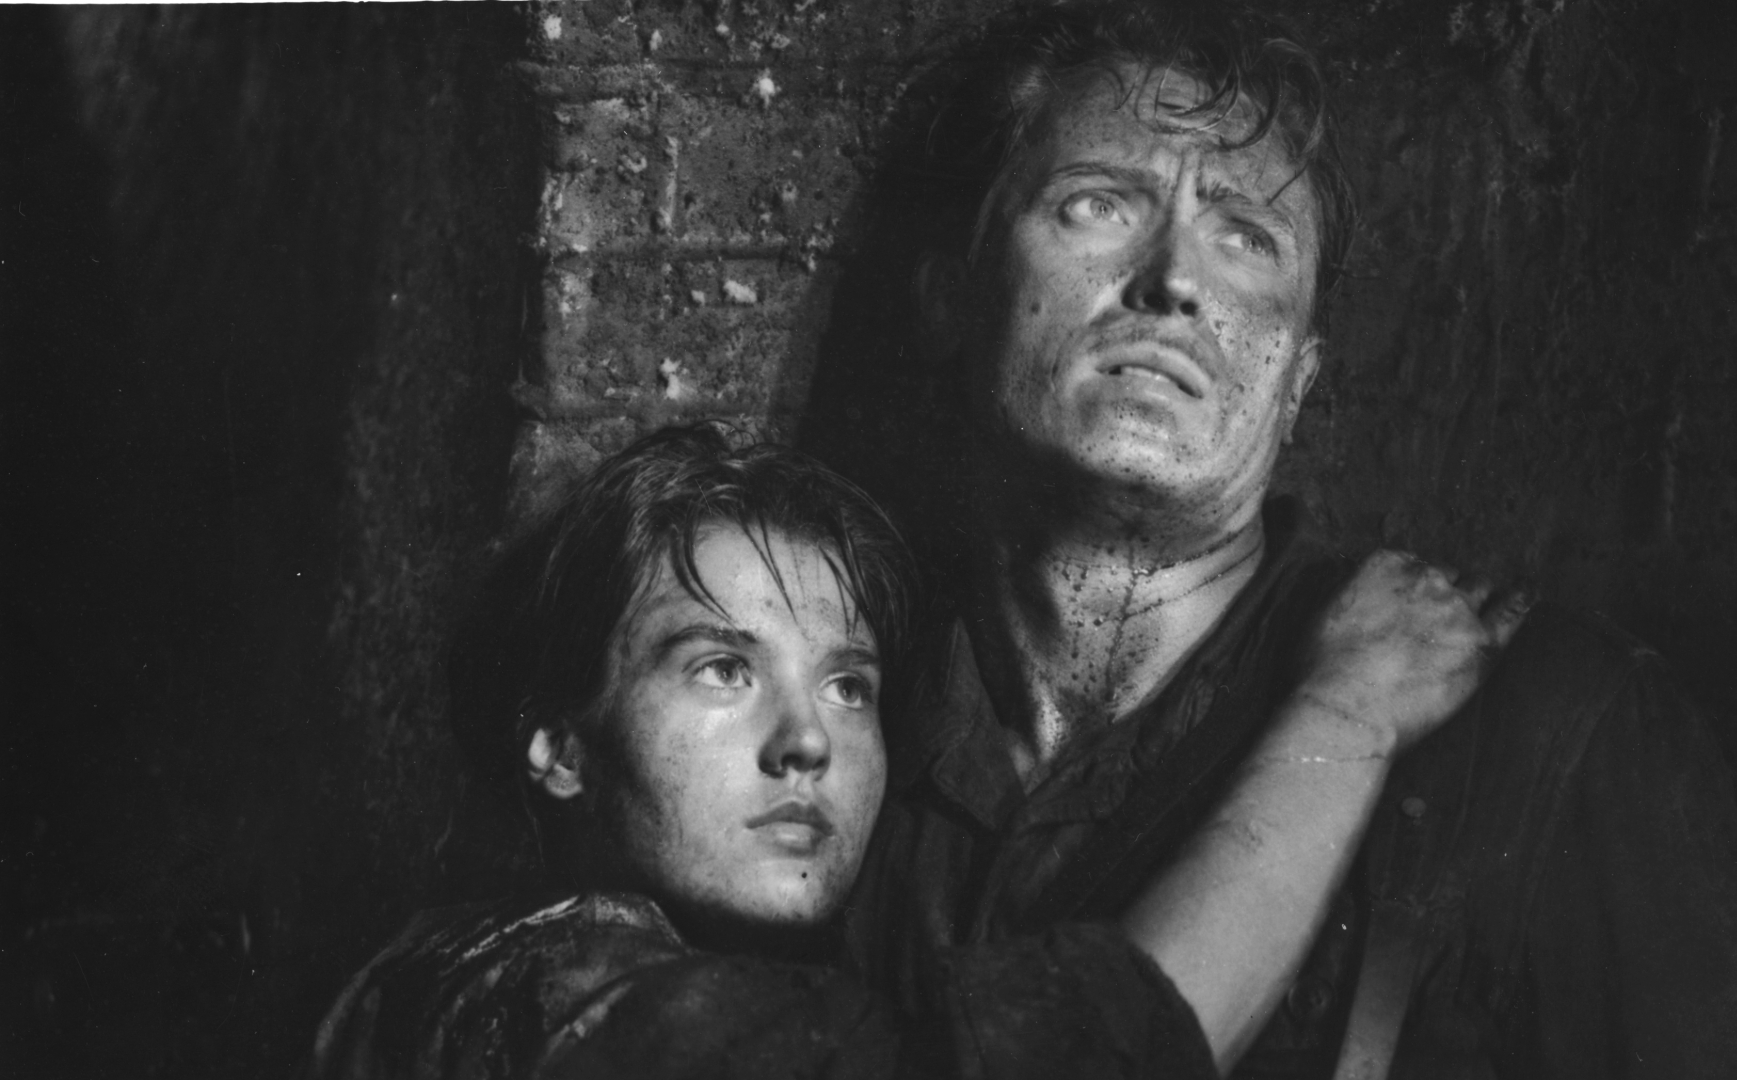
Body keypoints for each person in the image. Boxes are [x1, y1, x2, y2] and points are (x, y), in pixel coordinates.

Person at [829, 1, 1737, 1077]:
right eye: (1098, 203)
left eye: (1246, 240)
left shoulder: (1552, 730)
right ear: (951, 296)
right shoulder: (833, 736)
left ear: (1297, 381)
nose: (1173, 282)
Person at [304, 425, 1507, 1079]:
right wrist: (1345, 716)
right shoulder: (551, 998)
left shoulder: (469, 964)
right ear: (560, 746)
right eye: (722, 669)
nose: (806, 744)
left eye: (849, 685)